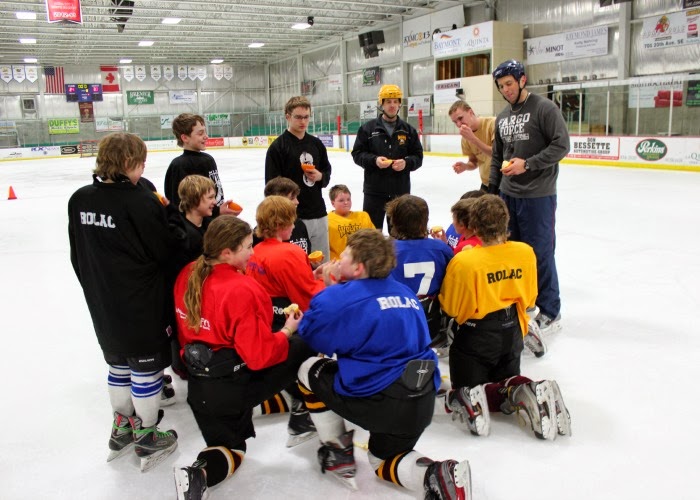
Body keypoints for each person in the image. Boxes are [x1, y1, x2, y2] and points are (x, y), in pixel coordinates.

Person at [296, 229, 472, 498]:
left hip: (381, 398)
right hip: (421, 397)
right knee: (383, 460)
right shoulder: (405, 292)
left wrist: (330, 290)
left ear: (358, 267)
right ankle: (436, 473)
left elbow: (311, 334)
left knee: (308, 368)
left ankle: (337, 452)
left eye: (344, 255)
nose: (337, 260)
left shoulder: (340, 298)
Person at [172, 216, 315, 500]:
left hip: (200, 391)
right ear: (227, 252)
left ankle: (198, 473)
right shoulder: (242, 289)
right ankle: (304, 411)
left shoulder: (187, 272)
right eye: (248, 246)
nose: (252, 252)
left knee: (230, 449)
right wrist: (287, 330)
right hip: (233, 388)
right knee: (306, 344)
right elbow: (260, 356)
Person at [68, 132, 179, 472]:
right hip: (141, 300)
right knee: (145, 366)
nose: (143, 167)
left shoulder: (79, 199)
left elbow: (77, 255)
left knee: (118, 363)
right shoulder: (140, 201)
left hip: (102, 298)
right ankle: (146, 435)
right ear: (130, 162)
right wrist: (172, 216)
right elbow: (165, 251)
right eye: (141, 162)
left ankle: (121, 428)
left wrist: (96, 287)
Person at [438, 195, 571, 441]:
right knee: (503, 383)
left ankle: (519, 392)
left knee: (467, 394)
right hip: (513, 335)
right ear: (506, 221)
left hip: (475, 337)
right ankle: (522, 387)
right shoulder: (525, 252)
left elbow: (452, 307)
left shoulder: (465, 261)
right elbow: (530, 300)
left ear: (473, 225)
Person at [489, 60, 570, 335]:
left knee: (540, 253)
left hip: (538, 195)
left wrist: (529, 164)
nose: (506, 90)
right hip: (507, 195)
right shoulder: (502, 117)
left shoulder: (544, 108)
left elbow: (561, 145)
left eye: (509, 84)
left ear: (522, 80)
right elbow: (497, 156)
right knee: (513, 253)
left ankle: (550, 311)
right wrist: (492, 191)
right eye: (501, 86)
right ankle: (524, 303)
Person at [265, 96, 332, 262]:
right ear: (287, 116)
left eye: (306, 117)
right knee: (296, 263)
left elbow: (327, 171)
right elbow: (271, 186)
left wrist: (320, 176)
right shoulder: (278, 147)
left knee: (321, 263)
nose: (303, 121)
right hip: (292, 217)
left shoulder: (316, 144)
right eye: (298, 117)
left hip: (318, 212)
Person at [351, 84, 423, 232]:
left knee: (399, 234)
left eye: (395, 101)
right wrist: (374, 161)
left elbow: (418, 156)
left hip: (400, 193)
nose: (392, 105)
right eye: (388, 101)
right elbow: (357, 154)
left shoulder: (408, 130)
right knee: (373, 234)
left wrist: (406, 163)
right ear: (381, 104)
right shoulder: (367, 129)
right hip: (374, 192)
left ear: (399, 104)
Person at [385, 194, 453, 350]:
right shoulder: (441, 249)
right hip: (430, 321)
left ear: (394, 221)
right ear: (425, 221)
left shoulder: (385, 251)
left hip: (396, 321)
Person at [164, 113, 237, 217]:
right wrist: (216, 212)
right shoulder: (179, 165)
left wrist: (219, 212)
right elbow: (178, 205)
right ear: (185, 138)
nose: (206, 136)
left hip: (215, 222)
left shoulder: (208, 159)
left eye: (205, 132)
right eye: (200, 133)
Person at [254, 176, 311, 255]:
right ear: (278, 201)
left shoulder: (299, 224)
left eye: (296, 197)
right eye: (292, 198)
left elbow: (307, 254)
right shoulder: (260, 232)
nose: (297, 202)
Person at [448, 100, 497, 191]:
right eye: (455, 122)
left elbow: (496, 153)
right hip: (486, 183)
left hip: (502, 184)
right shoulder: (465, 138)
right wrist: (465, 166)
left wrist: (473, 139)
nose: (458, 124)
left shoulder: (492, 123)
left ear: (470, 112)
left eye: (460, 118)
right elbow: (473, 161)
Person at [327, 184, 375, 261]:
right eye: (341, 200)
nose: (346, 202)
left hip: (363, 261)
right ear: (333, 203)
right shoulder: (327, 221)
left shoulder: (363, 216)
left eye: (348, 199)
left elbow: (374, 239)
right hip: (339, 263)